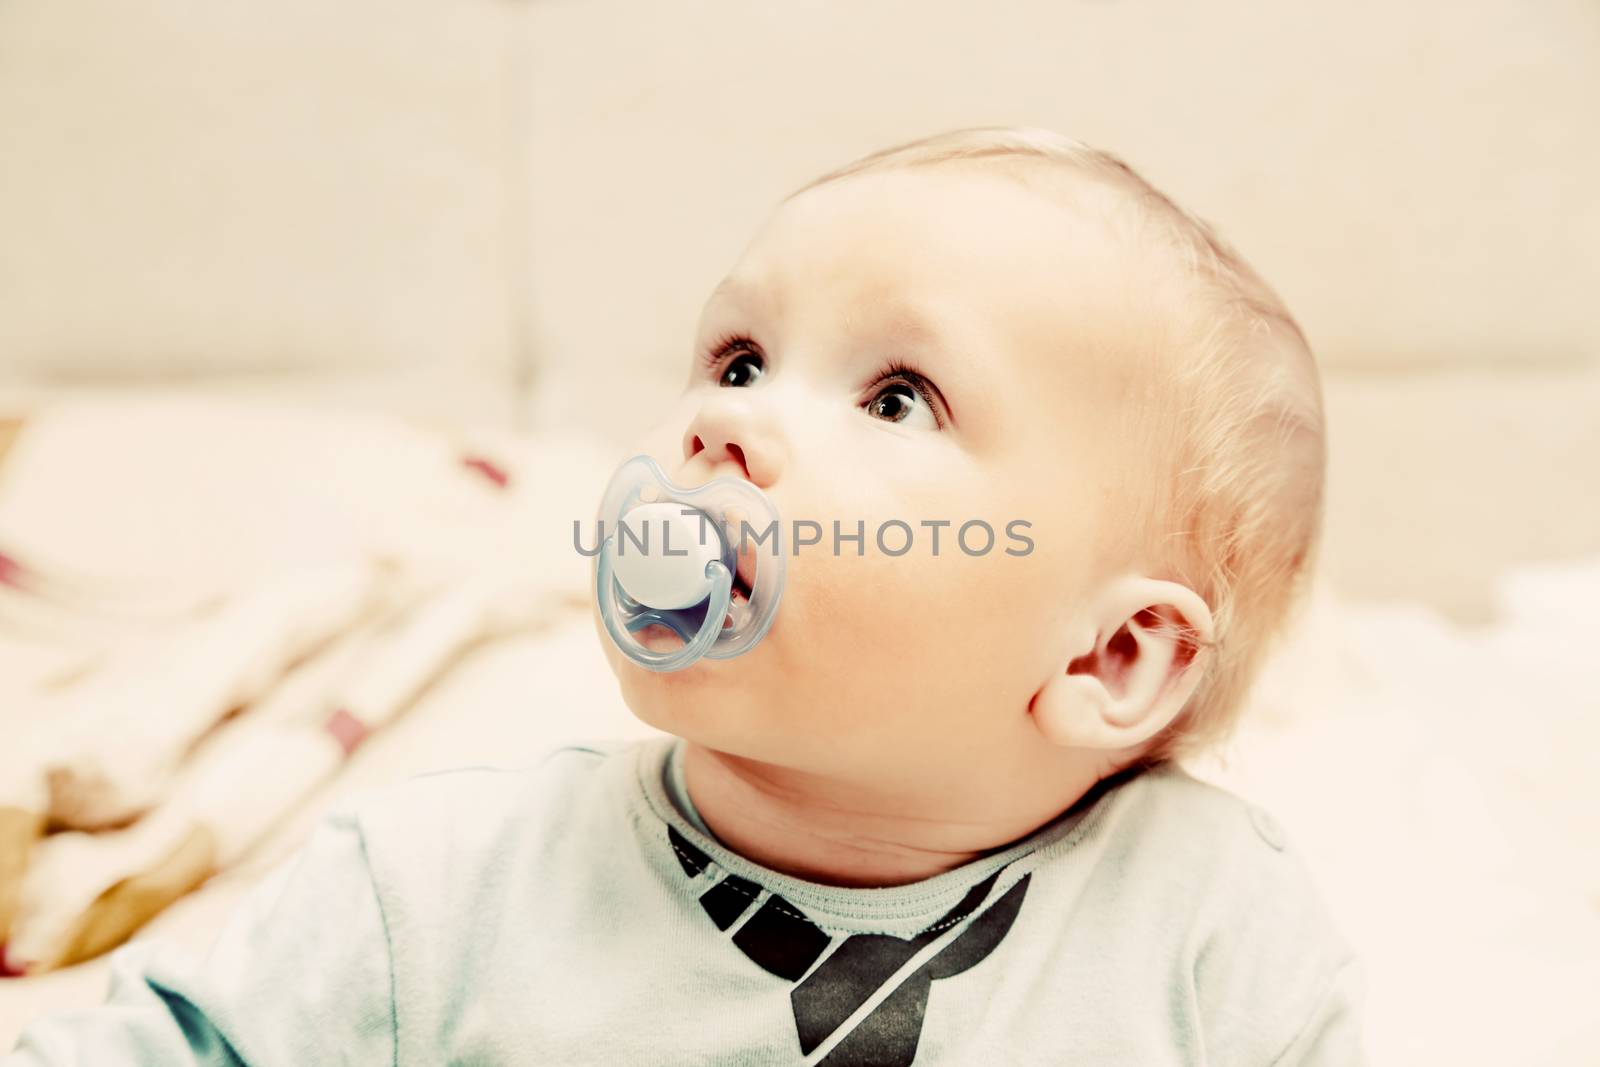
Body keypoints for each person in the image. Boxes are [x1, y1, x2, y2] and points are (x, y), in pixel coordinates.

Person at [4, 127, 1364, 1065]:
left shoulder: (1206, 927)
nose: (726, 428)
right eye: (738, 359)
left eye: (898, 394)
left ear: (1112, 656)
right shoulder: (432, 897)